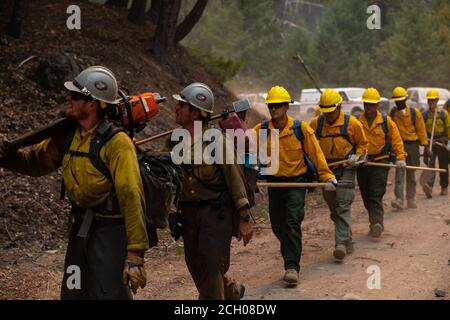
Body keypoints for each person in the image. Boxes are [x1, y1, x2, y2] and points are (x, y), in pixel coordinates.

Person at [0, 66, 148, 299]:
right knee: (73, 292)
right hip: (80, 228)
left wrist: (135, 256)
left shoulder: (117, 143)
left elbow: (131, 196)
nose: (69, 98)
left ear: (92, 104)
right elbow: (33, 163)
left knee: (108, 293)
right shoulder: (67, 136)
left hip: (111, 231)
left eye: (76, 95)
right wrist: (6, 154)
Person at [169, 82, 253, 300]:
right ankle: (231, 292)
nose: (175, 109)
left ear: (195, 113)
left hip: (216, 215)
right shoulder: (175, 139)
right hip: (188, 215)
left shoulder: (218, 142)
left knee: (211, 264)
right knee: (195, 265)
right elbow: (161, 168)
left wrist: (244, 217)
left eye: (181, 105)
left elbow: (236, 181)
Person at [253, 86, 336, 284]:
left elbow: (316, 154)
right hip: (274, 184)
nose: (274, 109)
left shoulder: (301, 129)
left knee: (291, 222)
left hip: (296, 183)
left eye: (278, 106)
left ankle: (292, 267)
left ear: (286, 107)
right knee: (278, 226)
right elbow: (244, 153)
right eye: (271, 106)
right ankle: (292, 246)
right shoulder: (261, 131)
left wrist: (327, 177)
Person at [310, 89, 368, 261]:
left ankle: (340, 244)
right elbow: (309, 145)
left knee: (343, 205)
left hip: (346, 169)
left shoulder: (353, 124)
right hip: (327, 171)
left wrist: (357, 157)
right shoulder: (316, 124)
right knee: (334, 207)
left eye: (331, 112)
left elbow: (363, 145)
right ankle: (347, 239)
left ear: (339, 107)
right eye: (325, 112)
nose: (328, 116)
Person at [357, 88, 407, 238]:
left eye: (371, 105)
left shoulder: (386, 121)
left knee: (376, 193)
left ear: (377, 105)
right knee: (366, 195)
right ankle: (374, 221)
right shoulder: (357, 122)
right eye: (366, 104)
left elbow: (396, 140)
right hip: (363, 164)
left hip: (380, 162)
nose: (368, 108)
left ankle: (377, 223)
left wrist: (401, 157)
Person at [389, 86, 428, 209]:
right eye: (397, 101)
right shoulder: (392, 114)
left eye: (401, 100)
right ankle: (399, 199)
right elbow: (389, 131)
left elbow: (421, 130)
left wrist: (426, 147)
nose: (399, 103)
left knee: (411, 173)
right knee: (400, 171)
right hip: (399, 146)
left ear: (405, 99)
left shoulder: (414, 113)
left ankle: (410, 198)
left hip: (412, 145)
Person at [422, 89, 450, 197]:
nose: (431, 102)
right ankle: (429, 187)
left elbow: (449, 128)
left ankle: (444, 186)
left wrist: (448, 142)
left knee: (443, 166)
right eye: (430, 100)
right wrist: (425, 143)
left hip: (441, 142)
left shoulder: (444, 114)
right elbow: (422, 130)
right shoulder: (424, 115)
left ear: (437, 101)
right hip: (430, 144)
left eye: (433, 100)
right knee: (430, 165)